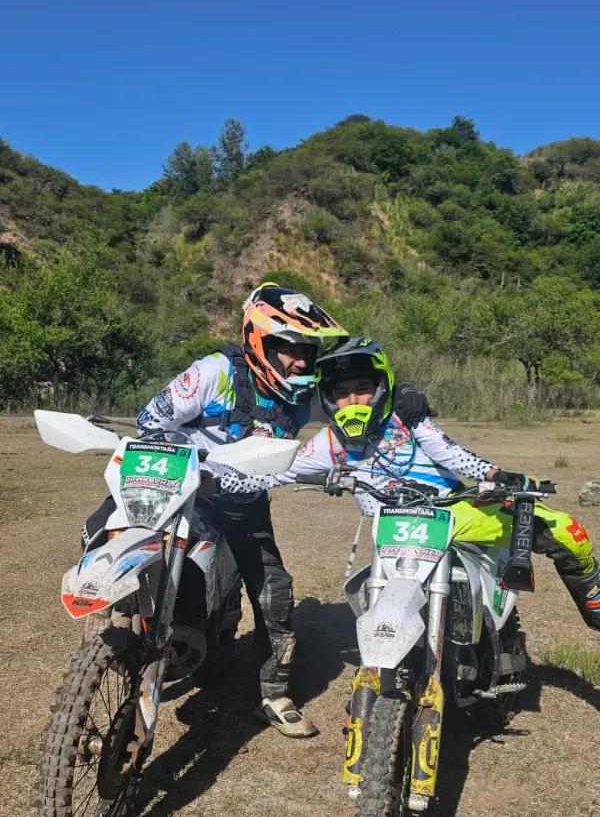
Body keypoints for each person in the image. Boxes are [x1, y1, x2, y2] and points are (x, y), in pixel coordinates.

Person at [81, 290, 434, 737]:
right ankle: (114, 626)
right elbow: (152, 420)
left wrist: (404, 392)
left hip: (243, 501)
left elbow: (358, 383)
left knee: (274, 593)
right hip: (175, 487)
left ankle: (272, 693)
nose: (302, 362)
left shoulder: (305, 393)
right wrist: (199, 463)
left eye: (307, 351)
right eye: (290, 348)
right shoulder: (214, 373)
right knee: (98, 529)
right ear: (259, 340)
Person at [214, 337, 600, 631]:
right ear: (328, 399)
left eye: (362, 388)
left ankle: (594, 603)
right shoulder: (330, 443)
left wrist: (495, 476)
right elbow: (279, 471)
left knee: (566, 530)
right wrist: (212, 479)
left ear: (381, 387)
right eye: (341, 393)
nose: (353, 400)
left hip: (456, 512)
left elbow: (451, 453)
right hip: (396, 535)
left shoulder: (407, 421)